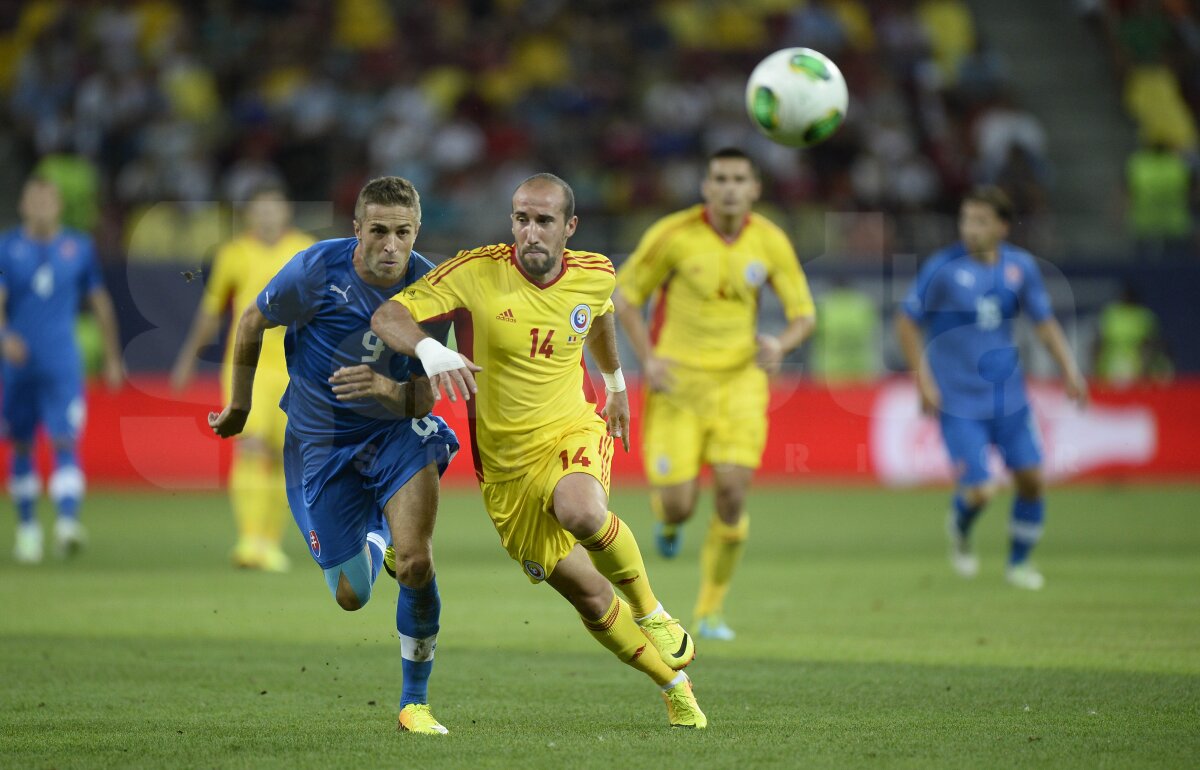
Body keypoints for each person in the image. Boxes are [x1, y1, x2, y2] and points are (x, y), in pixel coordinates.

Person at [370, 173, 708, 729]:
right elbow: (387, 316)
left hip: (569, 430)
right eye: (521, 218)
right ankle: (674, 685)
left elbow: (597, 315)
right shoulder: (476, 272)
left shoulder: (595, 271)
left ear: (568, 228)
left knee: (581, 510)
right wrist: (431, 350)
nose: (530, 231)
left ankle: (653, 611)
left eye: (544, 220)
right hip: (505, 472)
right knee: (592, 596)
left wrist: (616, 386)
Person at [207, 177, 459, 735]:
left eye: (402, 232)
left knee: (416, 562)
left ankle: (414, 702)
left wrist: (382, 388)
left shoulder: (431, 289)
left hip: (397, 435)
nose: (390, 245)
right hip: (319, 445)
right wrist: (241, 407)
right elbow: (251, 321)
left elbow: (420, 399)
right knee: (352, 596)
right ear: (357, 230)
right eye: (378, 232)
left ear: (416, 231)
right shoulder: (316, 271)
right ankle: (375, 534)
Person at [612, 147, 817, 642]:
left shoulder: (770, 241)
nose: (729, 187)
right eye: (720, 178)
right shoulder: (673, 235)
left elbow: (804, 315)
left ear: (754, 189)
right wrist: (649, 358)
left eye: (738, 179)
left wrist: (781, 343)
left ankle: (710, 611)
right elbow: (625, 296)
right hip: (677, 385)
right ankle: (670, 521)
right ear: (706, 187)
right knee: (680, 504)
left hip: (740, 384)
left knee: (731, 493)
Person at [895, 186, 1088, 591]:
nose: (970, 229)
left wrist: (1070, 368)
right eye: (966, 219)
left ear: (1002, 226)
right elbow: (906, 322)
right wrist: (922, 379)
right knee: (982, 490)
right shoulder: (942, 268)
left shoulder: (1020, 268)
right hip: (958, 400)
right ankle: (961, 525)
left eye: (981, 221)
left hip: (1009, 397)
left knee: (1032, 481)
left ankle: (1019, 564)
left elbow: (1044, 322)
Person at [172, 184, 315, 571]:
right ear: (249, 214)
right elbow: (211, 311)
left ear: (286, 211)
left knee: (284, 455)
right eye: (260, 209)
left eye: (274, 207)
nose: (267, 215)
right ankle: (250, 538)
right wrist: (188, 358)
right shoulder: (233, 254)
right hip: (246, 367)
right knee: (249, 447)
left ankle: (271, 541)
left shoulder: (306, 250)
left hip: (295, 369)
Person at [1, 176, 122, 564]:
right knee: (21, 442)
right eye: (33, 199)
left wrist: (112, 356)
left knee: (64, 439)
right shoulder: (7, 247)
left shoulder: (79, 247)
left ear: (57, 206)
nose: (40, 206)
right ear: (22, 205)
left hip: (61, 362)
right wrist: (4, 336)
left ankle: (68, 524)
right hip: (18, 364)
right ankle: (28, 530)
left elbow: (99, 301)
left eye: (47, 199)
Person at [1092, 281, 1172, 386]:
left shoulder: (1143, 317)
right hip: (1110, 375)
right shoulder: (1111, 315)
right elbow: (1098, 344)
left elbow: (1149, 347)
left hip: (1133, 374)